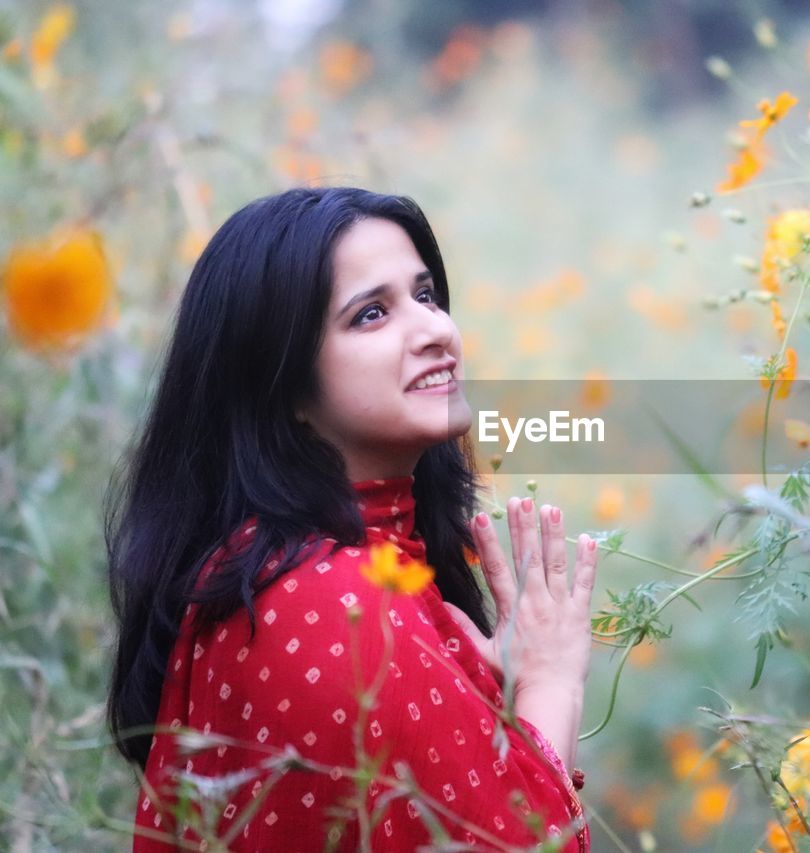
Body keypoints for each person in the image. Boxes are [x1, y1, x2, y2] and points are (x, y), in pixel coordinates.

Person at [105, 187, 597, 851]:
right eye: (371, 314)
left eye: (425, 295)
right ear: (282, 389)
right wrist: (551, 684)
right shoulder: (330, 601)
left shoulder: (280, 571)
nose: (435, 330)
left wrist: (493, 706)